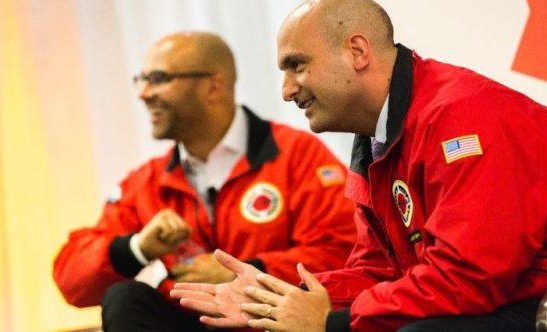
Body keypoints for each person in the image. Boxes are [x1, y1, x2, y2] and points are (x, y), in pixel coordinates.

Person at [170, 1, 547, 331]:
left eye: (297, 65)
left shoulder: (467, 118)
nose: (287, 90)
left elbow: (470, 278)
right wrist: (278, 297)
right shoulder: (376, 135)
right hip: (495, 299)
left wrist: (333, 321)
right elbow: (377, 269)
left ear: (357, 51)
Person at [52, 31, 357, 332]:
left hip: (269, 323)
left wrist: (250, 274)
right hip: (191, 319)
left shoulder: (298, 156)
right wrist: (136, 248)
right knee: (125, 298)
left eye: (158, 79)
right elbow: (71, 279)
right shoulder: (147, 182)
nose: (143, 93)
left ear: (214, 87)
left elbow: (344, 254)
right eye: (140, 80)